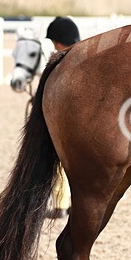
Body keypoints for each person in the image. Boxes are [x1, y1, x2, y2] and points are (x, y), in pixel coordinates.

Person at [44, 16, 80, 218]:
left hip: (67, 119)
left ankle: (59, 206)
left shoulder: (60, 61)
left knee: (58, 162)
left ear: (57, 42)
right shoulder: (86, 54)